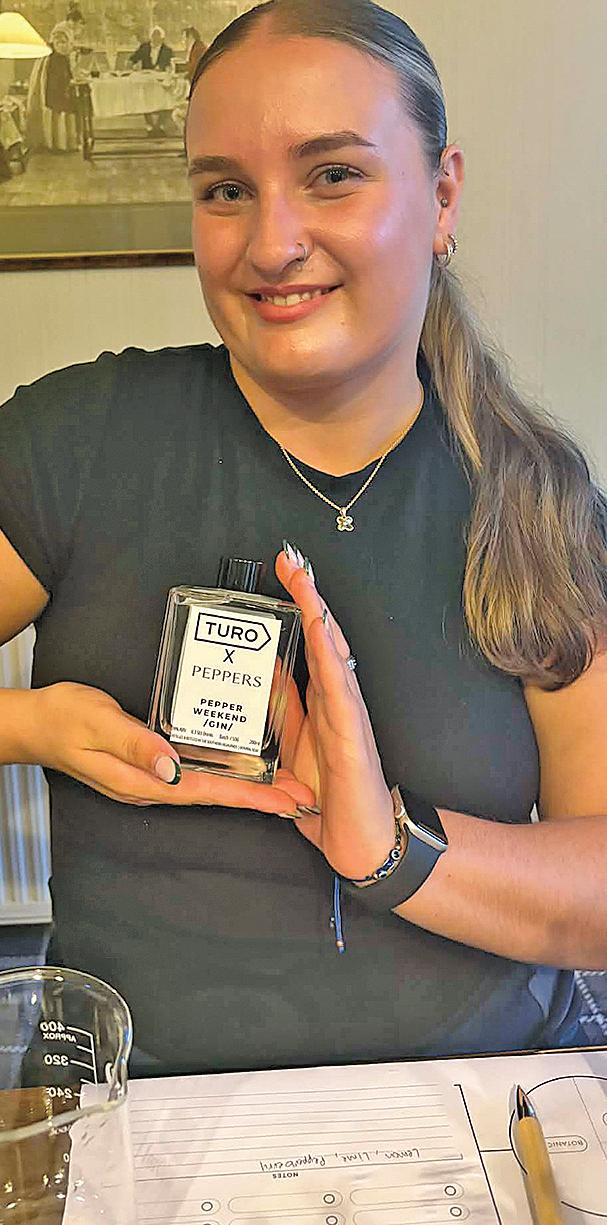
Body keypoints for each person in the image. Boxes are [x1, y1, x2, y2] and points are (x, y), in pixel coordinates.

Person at [1, 0, 606, 1077]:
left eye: (332, 175)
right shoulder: (79, 442)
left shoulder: (535, 501)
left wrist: (391, 848)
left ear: (442, 195)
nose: (271, 244)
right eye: (225, 191)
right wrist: (30, 725)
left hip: (481, 1110)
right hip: (149, 1114)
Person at [129, 25, 174, 136]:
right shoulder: (144, 47)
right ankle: (149, 125)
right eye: (153, 36)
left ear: (162, 38)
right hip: (146, 80)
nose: (155, 38)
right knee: (145, 98)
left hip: (161, 80)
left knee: (166, 98)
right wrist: (132, 64)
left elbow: (172, 65)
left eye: (158, 36)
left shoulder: (167, 50)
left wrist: (163, 67)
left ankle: (160, 125)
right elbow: (132, 59)